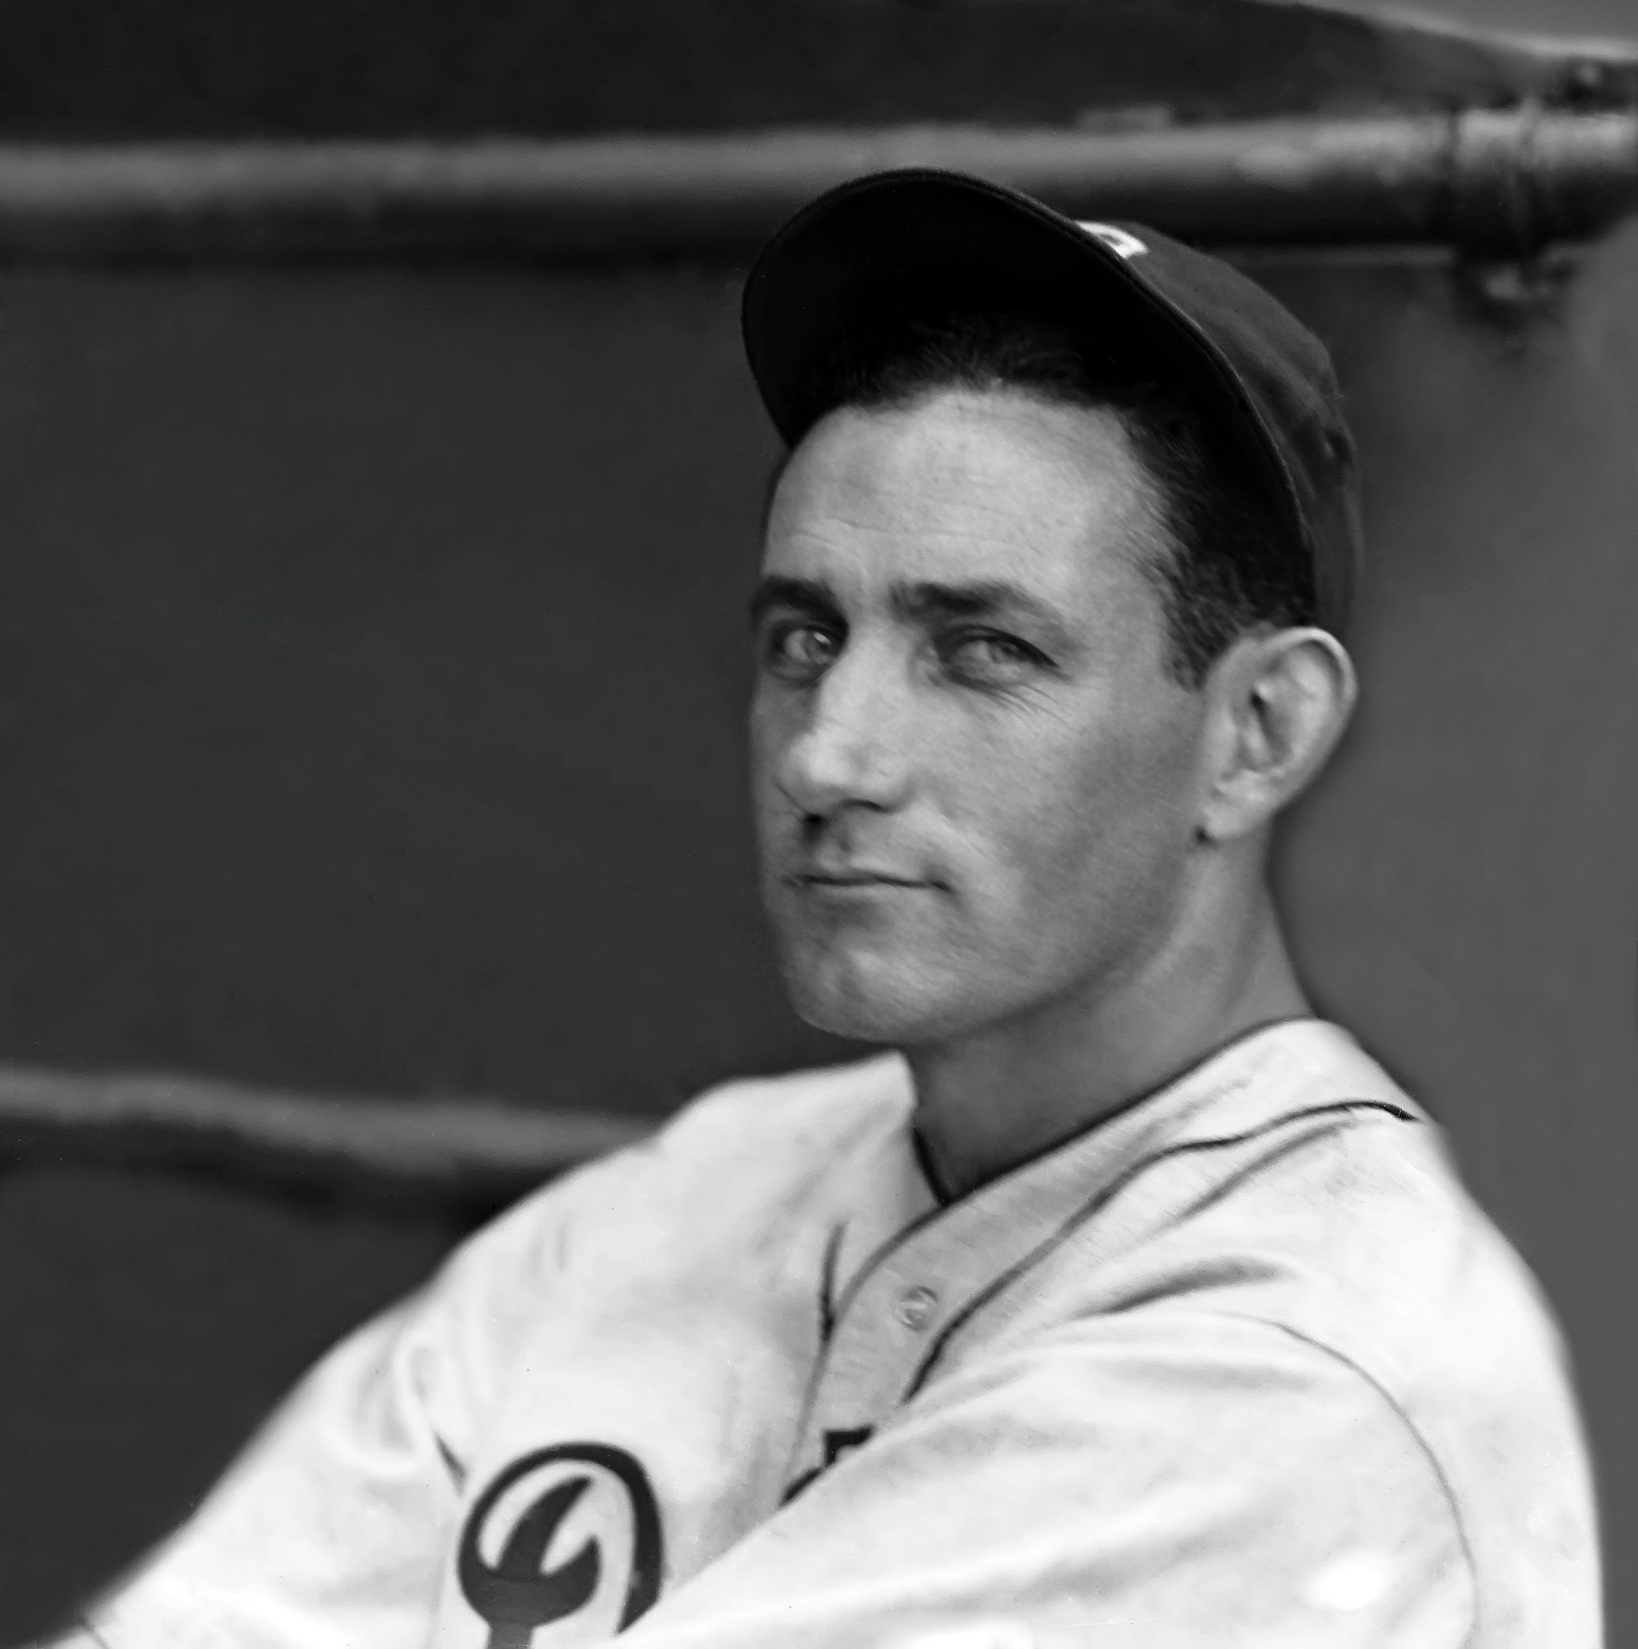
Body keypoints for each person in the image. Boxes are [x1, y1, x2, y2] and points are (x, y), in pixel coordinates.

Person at [43, 170, 1600, 1648]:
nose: (831, 752)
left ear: (1254, 733)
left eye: (980, 649)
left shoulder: (1317, 1367)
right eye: (803, 637)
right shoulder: (690, 1200)